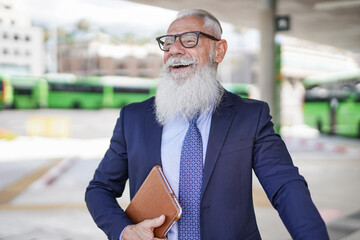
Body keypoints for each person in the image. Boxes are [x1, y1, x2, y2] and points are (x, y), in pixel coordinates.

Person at [85, 9, 329, 240]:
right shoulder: (135, 118)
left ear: (219, 50)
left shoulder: (251, 116)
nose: (175, 50)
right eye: (168, 42)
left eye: (189, 40)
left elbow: (285, 187)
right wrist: (125, 230)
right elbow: (99, 189)